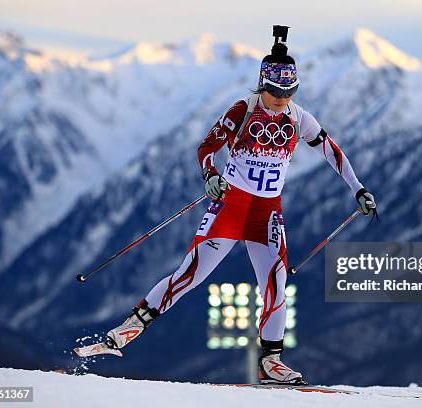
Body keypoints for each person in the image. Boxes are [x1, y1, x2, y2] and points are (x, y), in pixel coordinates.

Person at [103, 26, 377, 385]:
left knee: (277, 283)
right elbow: (207, 146)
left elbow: (331, 151)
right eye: (275, 91)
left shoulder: (298, 117)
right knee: (193, 273)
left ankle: (271, 361)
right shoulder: (243, 109)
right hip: (231, 206)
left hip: (267, 212)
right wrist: (210, 175)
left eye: (289, 92)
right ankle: (132, 325)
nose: (281, 99)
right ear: (262, 85)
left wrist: (357, 189)